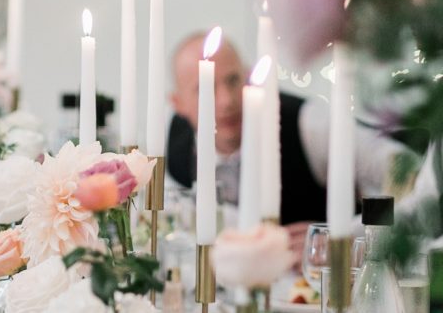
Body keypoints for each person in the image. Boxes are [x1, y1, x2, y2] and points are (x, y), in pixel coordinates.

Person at [167, 32, 412, 258]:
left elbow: (418, 179)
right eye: (205, 89)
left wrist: (347, 234)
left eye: (233, 80)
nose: (227, 101)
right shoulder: (177, 149)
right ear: (178, 104)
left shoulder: (309, 125)